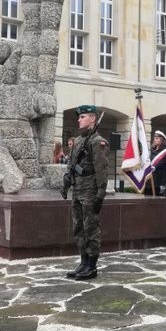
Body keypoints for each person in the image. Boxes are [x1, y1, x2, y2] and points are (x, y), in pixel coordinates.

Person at [64, 106, 109, 281]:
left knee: (91, 228)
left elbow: (101, 170)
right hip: (77, 189)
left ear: (92, 119)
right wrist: (67, 178)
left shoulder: (97, 142)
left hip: (90, 191)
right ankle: (83, 261)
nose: (79, 120)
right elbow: (72, 164)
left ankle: (92, 265)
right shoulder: (78, 141)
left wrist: (100, 194)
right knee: (78, 228)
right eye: (79, 117)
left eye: (82, 117)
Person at [148, 130, 166, 196]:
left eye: (157, 138)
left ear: (162, 140)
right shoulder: (152, 150)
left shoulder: (165, 151)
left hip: (158, 180)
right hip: (149, 180)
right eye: (154, 138)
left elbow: (165, 168)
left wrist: (163, 183)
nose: (155, 140)